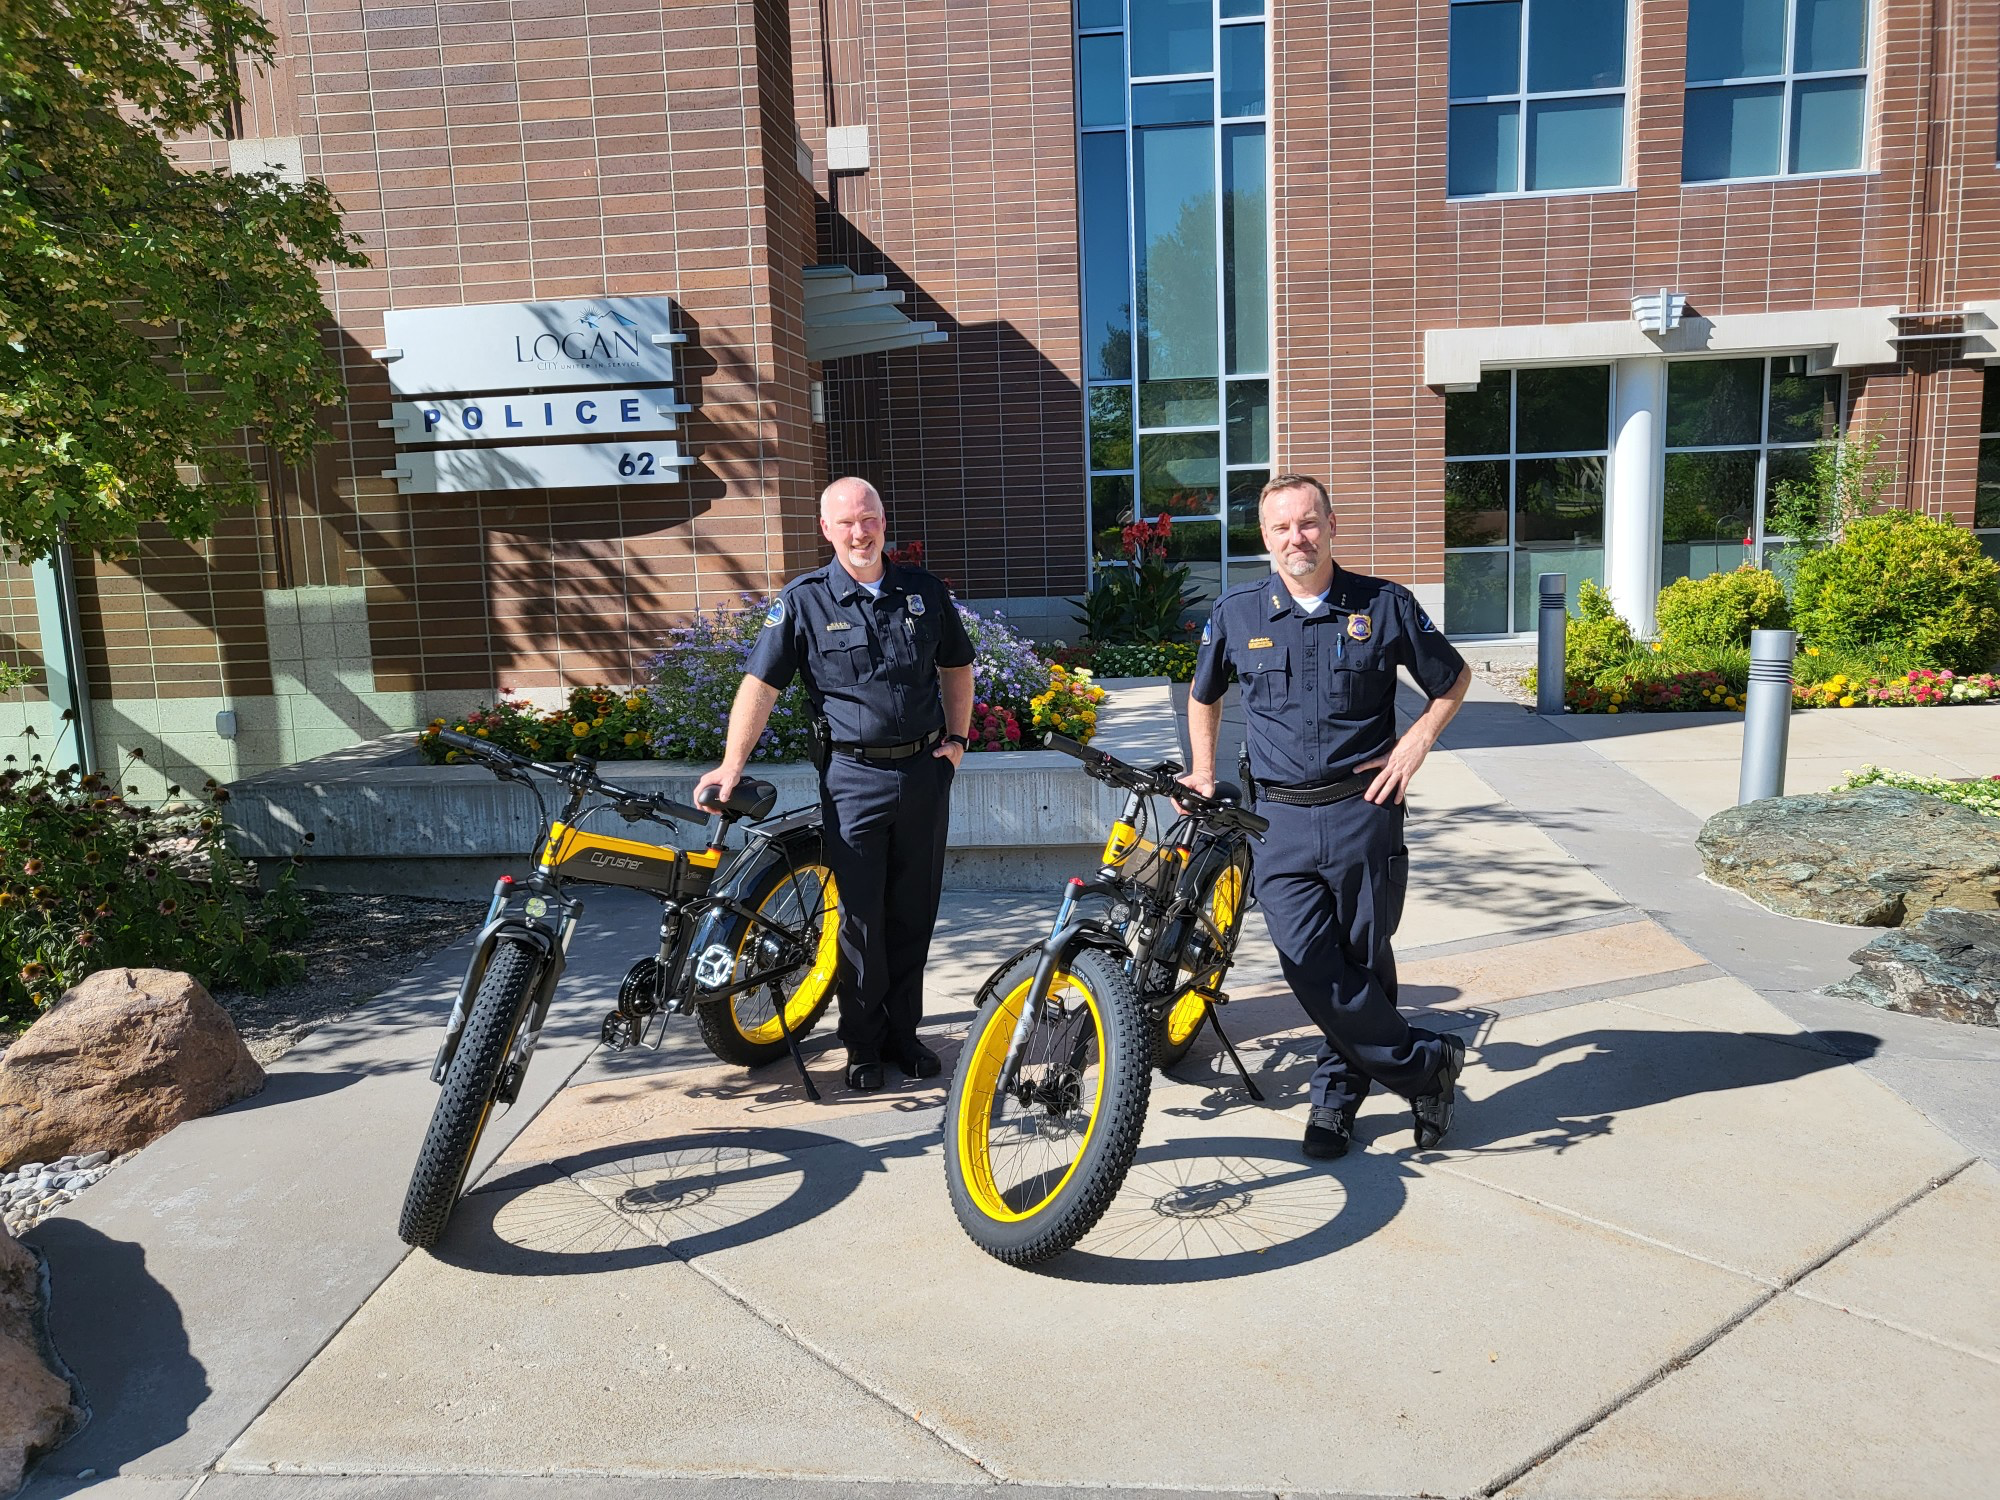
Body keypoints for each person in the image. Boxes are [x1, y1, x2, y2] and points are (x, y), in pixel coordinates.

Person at [1180, 474, 1472, 1159]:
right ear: (1264, 537)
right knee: (1308, 960)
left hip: (1361, 812)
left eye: (1308, 524)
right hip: (1276, 820)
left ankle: (1336, 1100)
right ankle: (1424, 1067)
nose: (1296, 539)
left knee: (1363, 965)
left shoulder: (1384, 604)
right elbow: (1203, 696)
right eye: (1281, 528)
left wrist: (1416, 742)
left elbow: (1451, 679)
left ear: (1332, 525)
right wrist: (1200, 768)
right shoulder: (1239, 613)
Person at [696, 477, 974, 1092]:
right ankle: (864, 1044)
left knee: (914, 910)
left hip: (925, 773)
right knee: (860, 918)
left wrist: (957, 741)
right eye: (846, 522)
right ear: (826, 530)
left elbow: (958, 664)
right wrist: (731, 764)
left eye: (869, 517)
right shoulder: (805, 601)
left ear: (883, 519)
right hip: (853, 778)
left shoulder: (924, 592)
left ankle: (906, 1034)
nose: (860, 532)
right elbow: (760, 685)